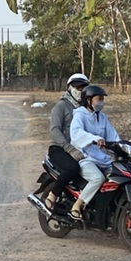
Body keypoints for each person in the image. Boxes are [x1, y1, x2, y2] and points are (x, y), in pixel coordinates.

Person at [68, 85, 120, 221]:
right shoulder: (80, 115)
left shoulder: (101, 117)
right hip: (85, 158)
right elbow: (76, 133)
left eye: (102, 99)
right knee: (98, 178)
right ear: (89, 100)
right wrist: (95, 139)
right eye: (99, 99)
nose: (101, 102)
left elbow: (113, 135)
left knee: (119, 176)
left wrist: (125, 147)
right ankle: (77, 206)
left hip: (101, 158)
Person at [44, 73, 90, 210]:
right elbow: (54, 130)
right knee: (73, 168)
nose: (80, 90)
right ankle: (53, 195)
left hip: (80, 149)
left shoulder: (85, 108)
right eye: (78, 87)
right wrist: (69, 148)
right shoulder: (61, 106)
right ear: (70, 88)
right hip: (59, 149)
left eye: (83, 88)